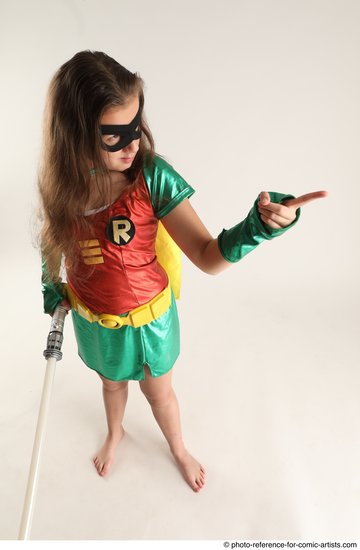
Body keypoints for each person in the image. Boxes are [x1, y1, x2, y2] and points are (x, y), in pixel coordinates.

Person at [39, 50, 327, 493]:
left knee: (160, 394)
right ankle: (116, 432)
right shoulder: (62, 186)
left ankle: (177, 445)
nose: (133, 144)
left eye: (135, 127)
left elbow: (209, 256)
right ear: (76, 136)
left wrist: (258, 228)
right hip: (96, 324)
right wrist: (50, 284)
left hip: (152, 323)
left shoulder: (153, 178)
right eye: (114, 136)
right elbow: (51, 241)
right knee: (112, 386)